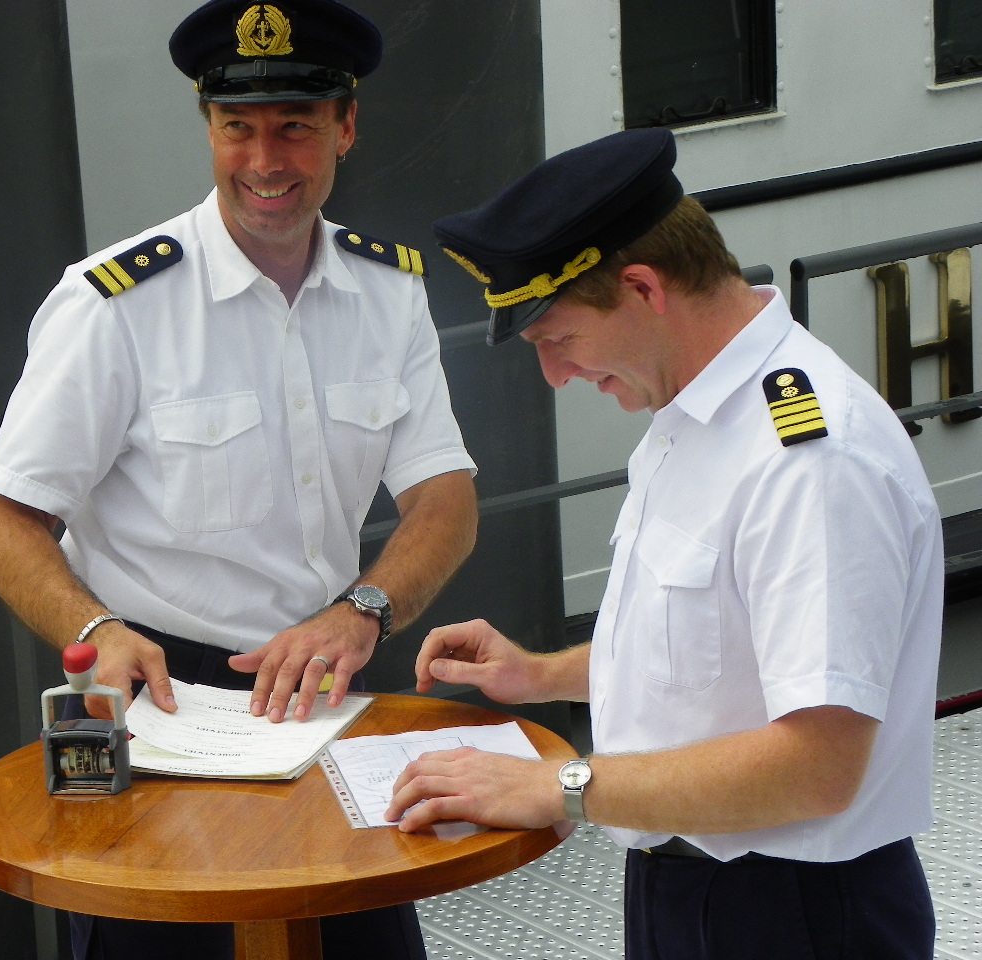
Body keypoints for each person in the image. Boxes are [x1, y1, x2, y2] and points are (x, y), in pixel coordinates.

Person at [0, 2, 477, 958]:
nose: (265, 159)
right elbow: (2, 518)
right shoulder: (115, 306)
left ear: (346, 126)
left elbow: (444, 499)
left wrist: (364, 610)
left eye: (296, 125)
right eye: (237, 126)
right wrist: (94, 631)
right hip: (161, 711)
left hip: (327, 693)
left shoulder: (389, 294)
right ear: (208, 127)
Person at [385, 128, 941, 960]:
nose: (556, 376)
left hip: (791, 912)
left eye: (556, 339)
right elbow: (717, 656)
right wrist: (541, 674)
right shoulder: (695, 417)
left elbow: (819, 764)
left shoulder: (808, 459)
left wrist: (557, 786)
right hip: (688, 882)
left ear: (643, 287)